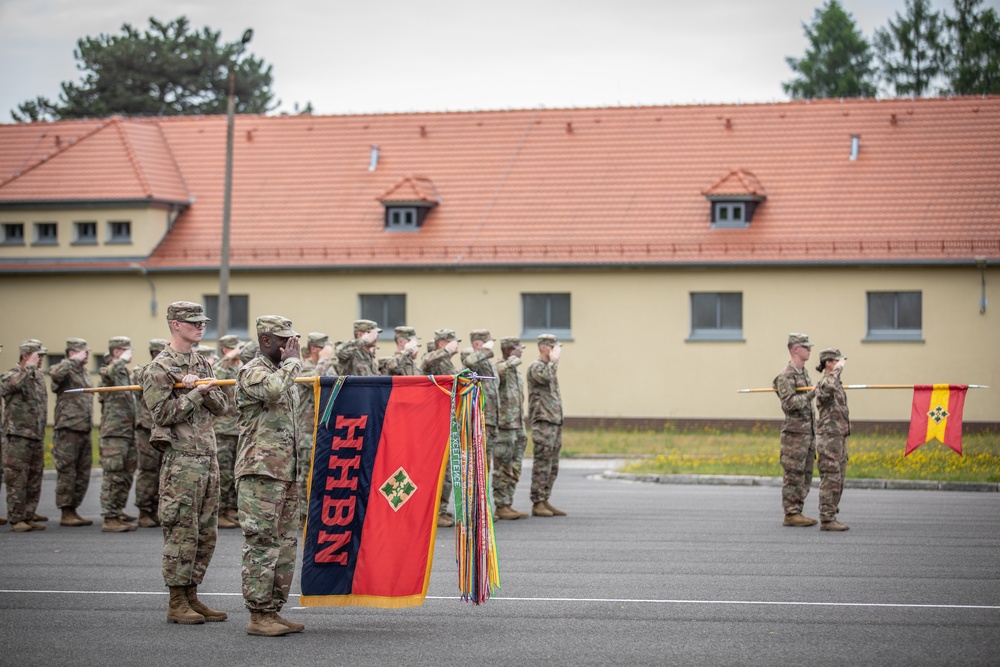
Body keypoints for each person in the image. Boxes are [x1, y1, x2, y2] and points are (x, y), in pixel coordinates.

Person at [142, 301, 230, 625]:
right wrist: (192, 393)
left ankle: (192, 594)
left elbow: (221, 405)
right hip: (182, 460)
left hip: (207, 457)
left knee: (206, 532)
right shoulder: (158, 368)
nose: (200, 326)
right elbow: (161, 414)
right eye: (193, 321)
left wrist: (205, 390)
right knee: (181, 530)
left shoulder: (203, 361)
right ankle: (176, 601)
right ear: (175, 325)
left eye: (202, 321)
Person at [235, 315, 304, 637]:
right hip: (260, 472)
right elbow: (273, 391)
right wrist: (292, 364)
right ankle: (258, 614)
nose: (290, 346)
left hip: (285, 472)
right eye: (283, 340)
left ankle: (273, 609)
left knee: (285, 545)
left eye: (292, 340)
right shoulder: (254, 372)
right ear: (266, 341)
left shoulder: (281, 372)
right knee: (262, 543)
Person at [2, 339, 49, 532]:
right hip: (18, 436)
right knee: (17, 479)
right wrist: (27, 369)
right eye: (39, 356)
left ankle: (28, 515)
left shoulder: (37, 377)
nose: (41, 360)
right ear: (26, 356)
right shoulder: (12, 375)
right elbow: (9, 387)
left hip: (35, 435)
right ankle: (16, 518)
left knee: (34, 478)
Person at [773, 332, 819, 527]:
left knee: (805, 474)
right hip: (794, 436)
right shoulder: (786, 376)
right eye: (806, 347)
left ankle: (797, 511)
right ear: (795, 349)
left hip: (807, 435)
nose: (809, 350)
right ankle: (791, 513)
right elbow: (790, 404)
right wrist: (811, 395)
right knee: (793, 475)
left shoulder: (804, 374)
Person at [48, 337, 95, 527]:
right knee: (67, 471)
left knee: (82, 472)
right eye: (83, 351)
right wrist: (73, 360)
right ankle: (65, 510)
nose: (86, 355)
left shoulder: (83, 372)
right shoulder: (64, 370)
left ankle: (73, 508)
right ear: (71, 353)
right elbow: (55, 374)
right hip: (68, 428)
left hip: (84, 428)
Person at [98, 336, 139, 533]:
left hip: (127, 431)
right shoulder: (109, 370)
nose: (131, 352)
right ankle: (109, 517)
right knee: (113, 474)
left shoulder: (124, 373)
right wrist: (121, 359)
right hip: (114, 432)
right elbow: (108, 373)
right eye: (127, 349)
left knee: (125, 474)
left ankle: (117, 510)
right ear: (117, 352)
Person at [422, 328, 461, 527]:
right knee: (437, 469)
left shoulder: (446, 362)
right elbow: (426, 362)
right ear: (441, 343)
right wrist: (446, 351)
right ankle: (433, 512)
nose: (457, 345)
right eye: (452, 342)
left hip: (449, 419)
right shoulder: (434, 359)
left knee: (447, 471)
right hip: (435, 421)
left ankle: (442, 510)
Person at [296, 332, 335, 522]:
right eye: (324, 349)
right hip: (306, 431)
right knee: (305, 474)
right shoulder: (305, 367)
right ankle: (304, 514)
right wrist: (324, 361)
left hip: (322, 429)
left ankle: (317, 511)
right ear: (314, 349)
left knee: (321, 473)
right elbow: (312, 382)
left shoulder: (326, 368)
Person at [527, 334, 566, 517]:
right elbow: (547, 377)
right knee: (542, 462)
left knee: (552, 464)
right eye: (553, 347)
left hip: (554, 421)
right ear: (544, 348)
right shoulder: (536, 368)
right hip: (543, 422)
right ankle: (537, 501)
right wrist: (554, 360)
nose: (557, 351)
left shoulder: (548, 368)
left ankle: (545, 498)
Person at [133, 338, 168, 528]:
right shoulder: (143, 369)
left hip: (163, 427)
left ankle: (156, 508)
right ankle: (144, 510)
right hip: (147, 428)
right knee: (148, 470)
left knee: (161, 471)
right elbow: (142, 376)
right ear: (155, 353)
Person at [815, 348, 850, 532]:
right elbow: (828, 386)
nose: (841, 364)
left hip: (838, 438)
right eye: (837, 361)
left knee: (839, 478)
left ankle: (831, 513)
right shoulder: (824, 384)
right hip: (829, 439)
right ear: (829, 363)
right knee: (830, 478)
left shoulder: (836, 383)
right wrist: (838, 369)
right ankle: (827, 519)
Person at [494, 336, 529, 520]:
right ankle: (501, 505)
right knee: (503, 466)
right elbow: (498, 373)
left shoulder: (515, 371)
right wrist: (511, 360)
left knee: (515, 466)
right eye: (518, 348)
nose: (521, 351)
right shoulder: (501, 366)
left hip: (518, 425)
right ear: (509, 350)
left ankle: (508, 502)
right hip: (505, 426)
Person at [213, 334, 243, 530]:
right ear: (226, 350)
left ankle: (231, 508)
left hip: (236, 429)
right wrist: (227, 358)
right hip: (223, 430)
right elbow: (215, 379)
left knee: (233, 473)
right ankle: (220, 512)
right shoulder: (220, 367)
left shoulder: (236, 369)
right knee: (223, 474)